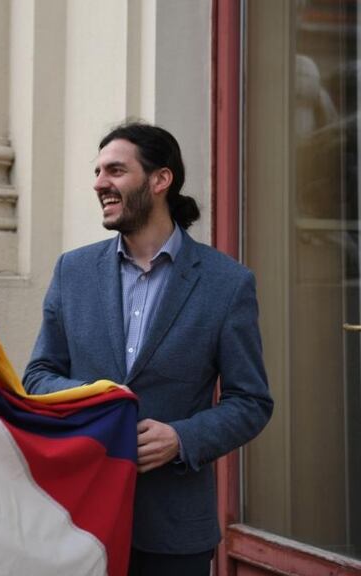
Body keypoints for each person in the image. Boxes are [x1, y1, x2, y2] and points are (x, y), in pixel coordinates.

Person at [23, 122, 273, 576]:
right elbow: (39, 373)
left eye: (115, 170)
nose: (100, 183)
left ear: (160, 180)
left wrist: (182, 439)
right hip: (78, 520)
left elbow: (251, 402)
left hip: (174, 532)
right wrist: (100, 403)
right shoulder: (72, 271)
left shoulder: (227, 284)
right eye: (98, 171)